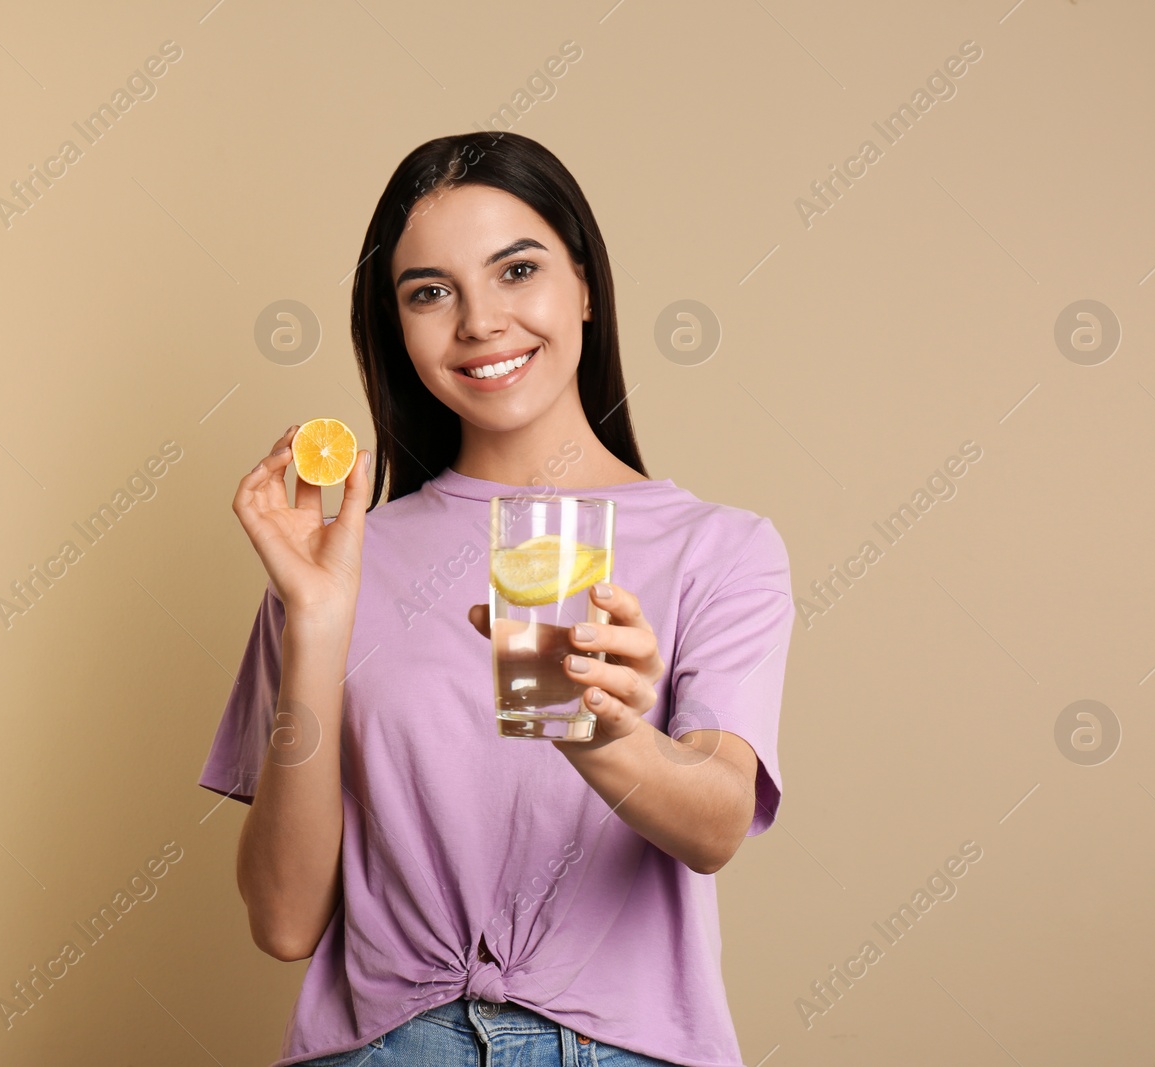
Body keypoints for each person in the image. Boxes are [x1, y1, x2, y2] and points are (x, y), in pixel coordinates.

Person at [201, 131, 796, 1067]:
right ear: (398, 328)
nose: (479, 321)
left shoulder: (718, 549)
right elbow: (282, 920)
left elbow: (714, 824)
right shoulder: (338, 557)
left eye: (516, 270)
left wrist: (595, 726)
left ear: (586, 284)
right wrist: (315, 625)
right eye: (430, 291)